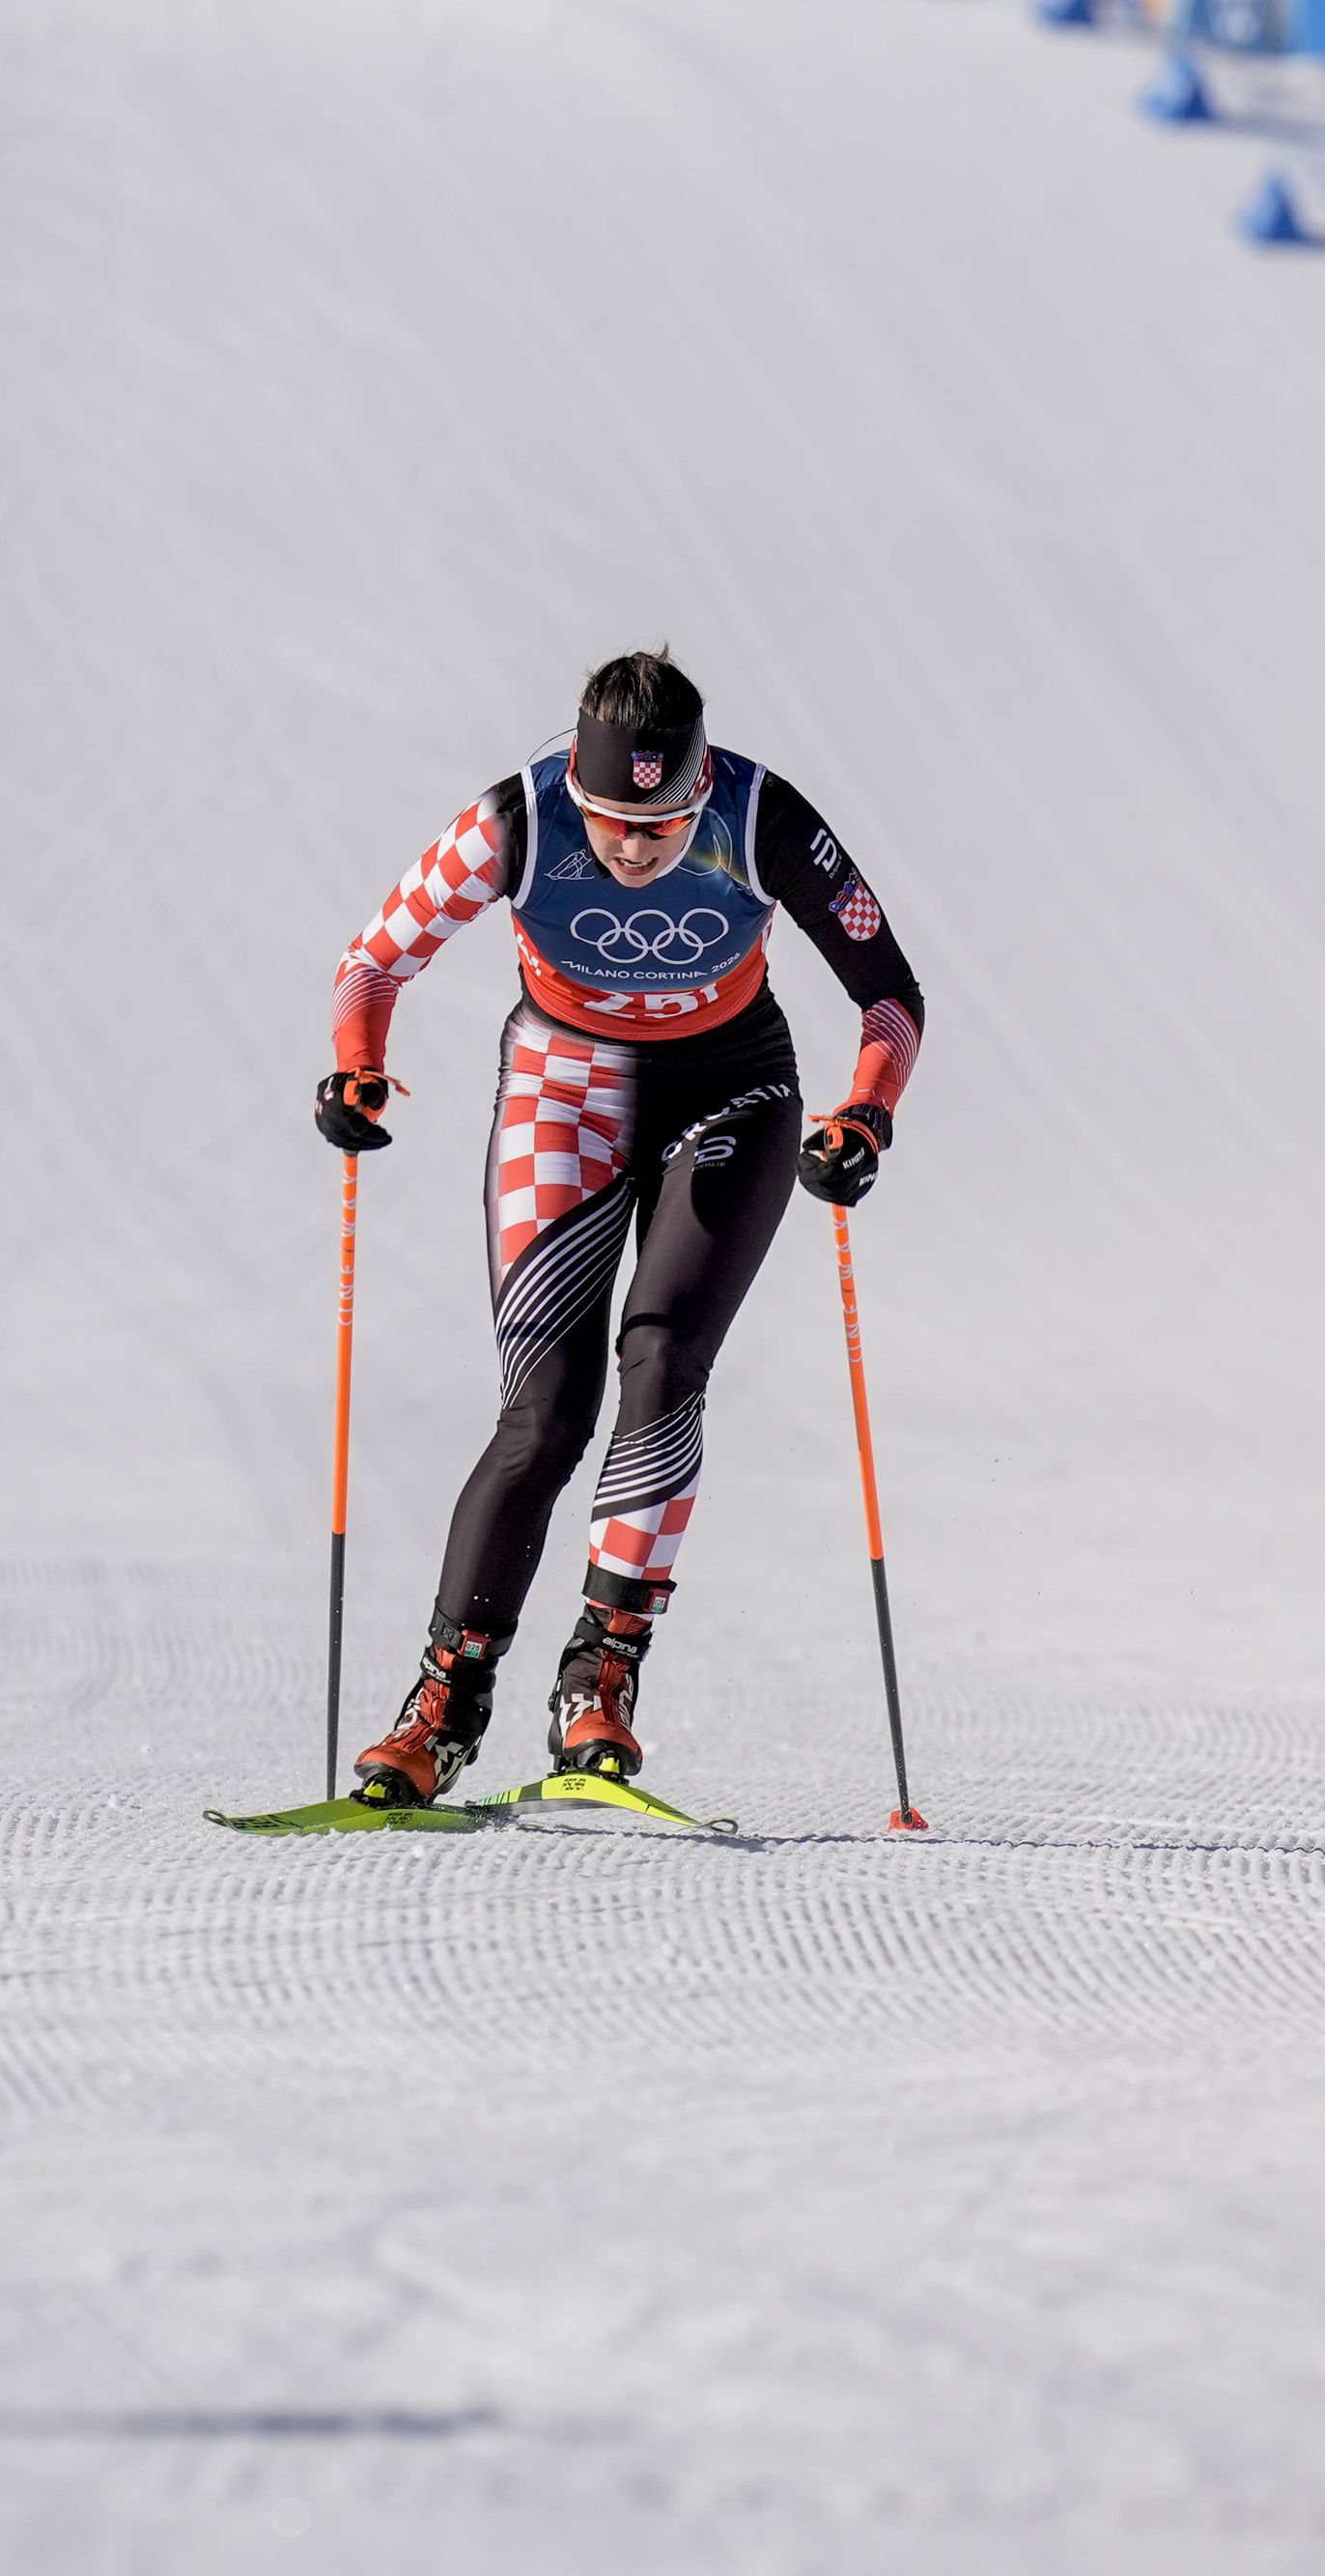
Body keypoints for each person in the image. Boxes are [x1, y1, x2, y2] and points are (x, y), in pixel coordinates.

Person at [314, 650, 923, 1805]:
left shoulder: (761, 812)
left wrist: (865, 1116)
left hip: (731, 1088)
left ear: (699, 789)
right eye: (613, 819)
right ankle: (443, 1706)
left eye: (663, 822)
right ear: (578, 789)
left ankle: (600, 1676)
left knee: (664, 1364)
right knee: (545, 1414)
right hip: (566, 1086)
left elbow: (890, 991)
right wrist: (356, 1068)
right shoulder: (516, 818)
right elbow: (374, 961)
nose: (635, 847)